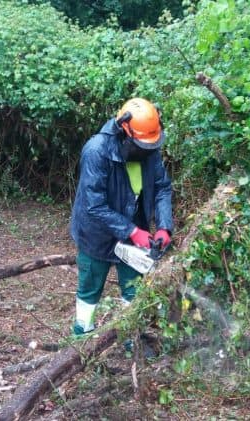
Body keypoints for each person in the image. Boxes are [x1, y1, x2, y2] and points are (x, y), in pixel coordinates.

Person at [70, 97, 173, 335]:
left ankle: (131, 339)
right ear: (124, 132)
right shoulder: (97, 151)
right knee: (90, 289)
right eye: (142, 145)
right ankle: (82, 338)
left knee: (134, 289)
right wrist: (132, 231)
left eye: (151, 145)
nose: (147, 150)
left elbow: (162, 187)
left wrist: (164, 227)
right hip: (95, 234)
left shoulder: (150, 149)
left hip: (133, 229)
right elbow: (93, 206)